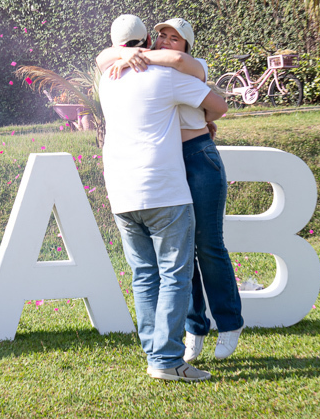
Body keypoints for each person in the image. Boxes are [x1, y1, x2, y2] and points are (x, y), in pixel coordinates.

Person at [99, 18, 244, 364]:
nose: (165, 40)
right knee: (182, 256)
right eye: (160, 35)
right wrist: (130, 57)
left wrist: (144, 58)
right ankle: (195, 328)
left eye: (173, 37)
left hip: (198, 159)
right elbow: (103, 56)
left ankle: (229, 322)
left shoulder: (190, 69)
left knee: (208, 246)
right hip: (171, 162)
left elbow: (214, 102)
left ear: (186, 45)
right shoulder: (140, 70)